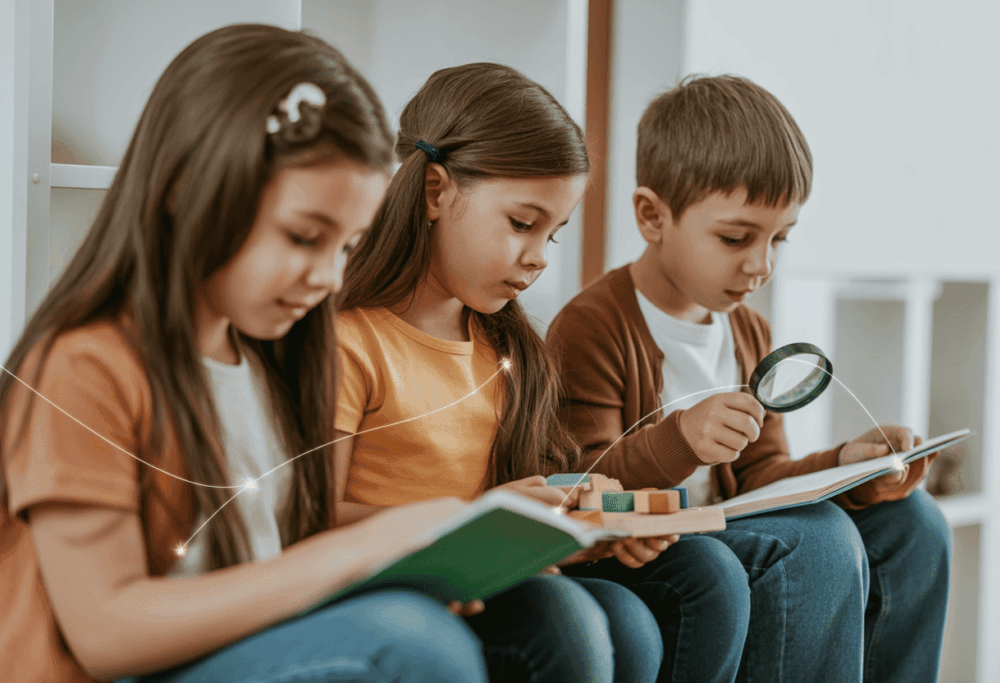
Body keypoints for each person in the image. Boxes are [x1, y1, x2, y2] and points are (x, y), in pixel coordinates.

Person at [0, 24, 491, 683]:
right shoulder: (83, 366)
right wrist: (356, 550)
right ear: (187, 189)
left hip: (236, 651)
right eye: (303, 236)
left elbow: (264, 575)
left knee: (543, 618)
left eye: (346, 246)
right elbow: (105, 629)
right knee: (413, 645)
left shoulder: (271, 359)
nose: (329, 278)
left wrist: (397, 563)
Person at [548, 74, 952, 683]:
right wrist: (681, 438)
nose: (761, 265)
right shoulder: (592, 327)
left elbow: (762, 478)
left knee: (915, 524)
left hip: (732, 528)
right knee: (816, 545)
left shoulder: (748, 332)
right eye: (736, 238)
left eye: (779, 239)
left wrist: (850, 465)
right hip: (654, 552)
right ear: (652, 216)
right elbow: (584, 484)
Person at [332, 62, 666, 683]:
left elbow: (512, 495)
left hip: (482, 582)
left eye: (554, 235)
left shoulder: (507, 351)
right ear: (436, 192)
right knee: (568, 621)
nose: (538, 258)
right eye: (521, 224)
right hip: (383, 590)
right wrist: (476, 515)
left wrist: (582, 523)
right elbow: (309, 519)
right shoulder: (352, 343)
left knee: (633, 619)